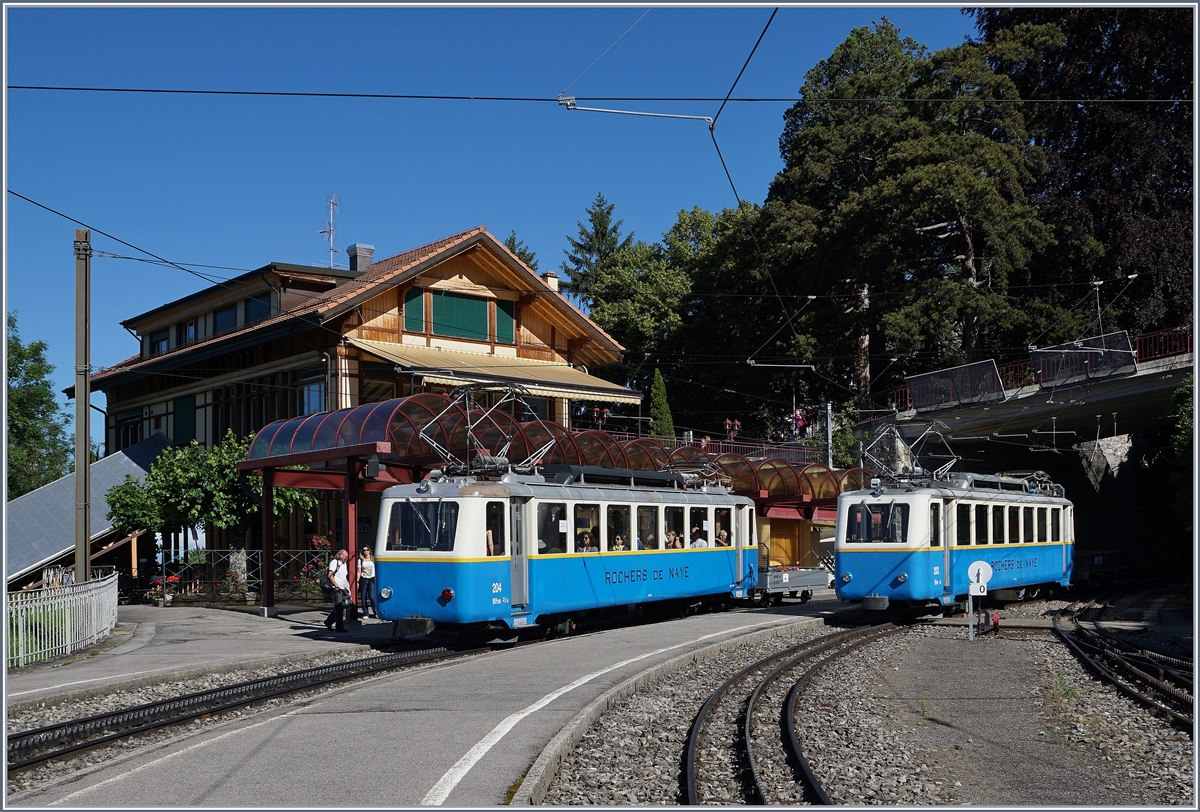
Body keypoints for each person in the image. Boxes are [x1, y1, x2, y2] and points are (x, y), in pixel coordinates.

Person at [324, 548, 350, 632]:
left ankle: (328, 622)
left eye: (347, 556)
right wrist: (336, 585)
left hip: (343, 588)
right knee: (339, 608)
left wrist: (347, 588)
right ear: (340, 556)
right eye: (345, 556)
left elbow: (344, 577)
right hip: (336, 589)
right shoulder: (334, 562)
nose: (347, 558)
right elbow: (330, 575)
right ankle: (339, 627)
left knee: (341, 607)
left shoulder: (344, 564)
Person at [357, 547, 377, 619]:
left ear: (370, 551)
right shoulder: (360, 560)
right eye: (364, 550)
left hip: (372, 578)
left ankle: (375, 612)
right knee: (363, 597)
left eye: (367, 549)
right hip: (364, 579)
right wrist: (357, 581)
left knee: (372, 597)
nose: (366, 551)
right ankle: (366, 613)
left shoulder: (373, 559)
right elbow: (359, 571)